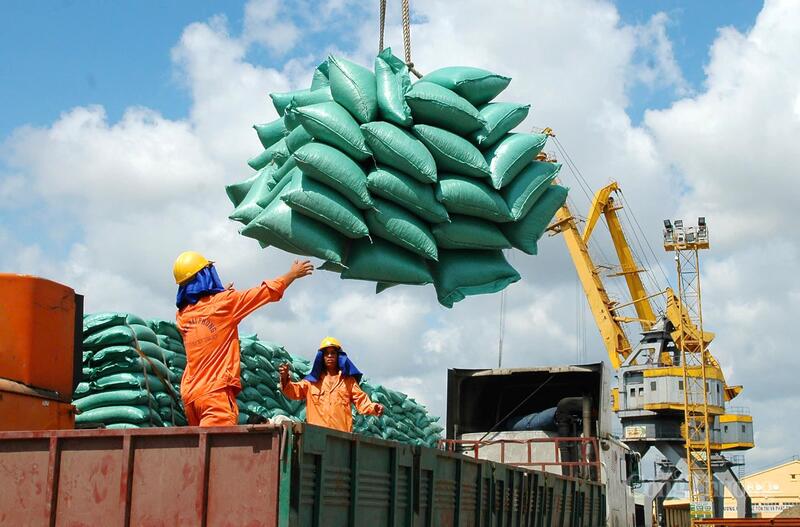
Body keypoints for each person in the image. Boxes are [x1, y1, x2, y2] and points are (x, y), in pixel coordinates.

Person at [173, 251, 314, 427]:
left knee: (202, 449)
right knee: (218, 451)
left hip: (190, 396)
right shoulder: (225, 303)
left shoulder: (183, 316)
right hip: (215, 394)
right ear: (206, 275)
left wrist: (218, 296)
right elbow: (263, 293)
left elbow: (205, 315)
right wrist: (292, 274)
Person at [279, 337, 383, 433]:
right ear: (321, 357)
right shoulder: (311, 382)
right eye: (326, 353)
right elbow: (293, 391)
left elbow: (361, 400)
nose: (330, 356)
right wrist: (284, 378)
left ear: (339, 356)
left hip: (341, 437)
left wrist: (373, 407)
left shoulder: (348, 381)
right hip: (316, 435)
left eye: (333, 353)